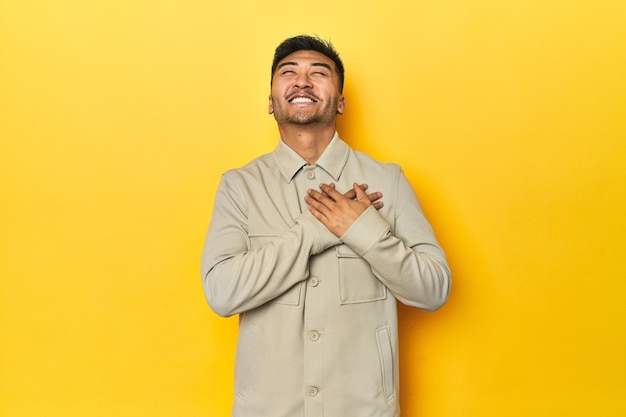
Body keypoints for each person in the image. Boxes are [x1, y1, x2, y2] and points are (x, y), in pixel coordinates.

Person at [201, 35, 451, 417]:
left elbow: (434, 289)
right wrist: (312, 232)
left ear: (341, 101)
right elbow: (221, 292)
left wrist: (365, 231)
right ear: (271, 102)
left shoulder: (389, 180)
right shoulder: (240, 186)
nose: (303, 81)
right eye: (289, 73)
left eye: (319, 73)